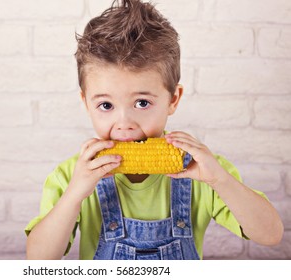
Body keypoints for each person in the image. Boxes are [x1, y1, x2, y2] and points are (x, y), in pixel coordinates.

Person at [25, 0, 283, 260]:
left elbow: (270, 235)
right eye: (106, 105)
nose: (124, 122)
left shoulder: (203, 172)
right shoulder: (70, 176)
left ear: (173, 99)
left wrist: (220, 180)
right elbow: (38, 261)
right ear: (86, 103)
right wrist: (74, 196)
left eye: (142, 103)